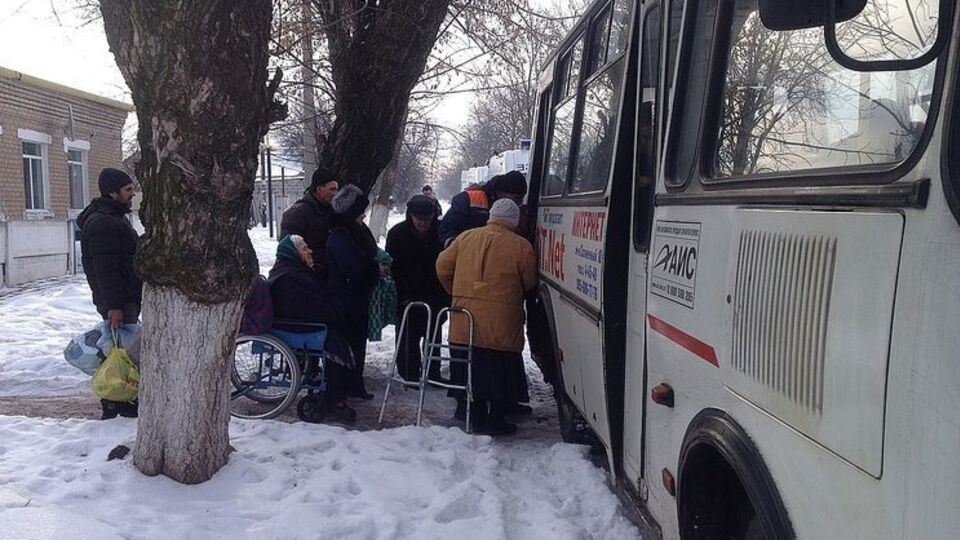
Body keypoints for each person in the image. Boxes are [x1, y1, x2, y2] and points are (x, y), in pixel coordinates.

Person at [436, 199, 537, 435]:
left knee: (466, 367)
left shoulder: (465, 237)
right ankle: (496, 418)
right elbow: (530, 281)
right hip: (501, 324)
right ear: (514, 220)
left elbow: (442, 266)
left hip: (465, 320)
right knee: (498, 371)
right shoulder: (522, 246)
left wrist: (456, 291)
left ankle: (469, 409)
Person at [268, 234, 357, 424]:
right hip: (298, 328)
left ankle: (338, 391)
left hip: (303, 321)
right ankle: (335, 399)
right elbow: (309, 308)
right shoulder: (289, 278)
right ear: (293, 253)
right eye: (304, 248)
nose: (309, 251)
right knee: (337, 341)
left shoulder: (294, 271)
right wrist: (335, 312)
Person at [77, 168, 142, 420]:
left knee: (122, 350)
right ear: (112, 192)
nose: (132, 194)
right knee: (119, 353)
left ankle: (122, 397)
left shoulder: (113, 217)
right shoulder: (103, 222)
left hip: (123, 296)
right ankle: (115, 402)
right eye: (127, 190)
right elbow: (106, 270)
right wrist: (113, 306)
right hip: (118, 300)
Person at [386, 195, 450, 382]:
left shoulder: (440, 233)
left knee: (433, 335)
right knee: (408, 335)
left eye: (427, 219)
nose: (423, 223)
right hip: (407, 293)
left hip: (435, 293)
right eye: (418, 219)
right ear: (410, 216)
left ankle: (433, 371)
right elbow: (393, 267)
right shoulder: (397, 234)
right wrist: (402, 293)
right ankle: (409, 372)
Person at [326, 185, 381, 400]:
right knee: (345, 345)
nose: (363, 217)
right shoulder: (340, 235)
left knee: (358, 342)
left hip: (356, 298)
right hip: (343, 300)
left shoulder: (356, 231)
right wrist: (373, 269)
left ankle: (355, 383)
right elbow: (352, 266)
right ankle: (341, 391)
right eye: (360, 213)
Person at [438, 170, 527, 248]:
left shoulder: (516, 209)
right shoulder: (468, 199)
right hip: (467, 257)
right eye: (517, 198)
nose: (520, 203)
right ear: (503, 193)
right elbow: (447, 229)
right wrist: (457, 248)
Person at [280, 167, 339, 280]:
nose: (335, 194)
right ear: (319, 189)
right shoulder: (297, 214)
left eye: (336, 189)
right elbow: (291, 250)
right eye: (332, 189)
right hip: (308, 279)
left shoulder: (332, 213)